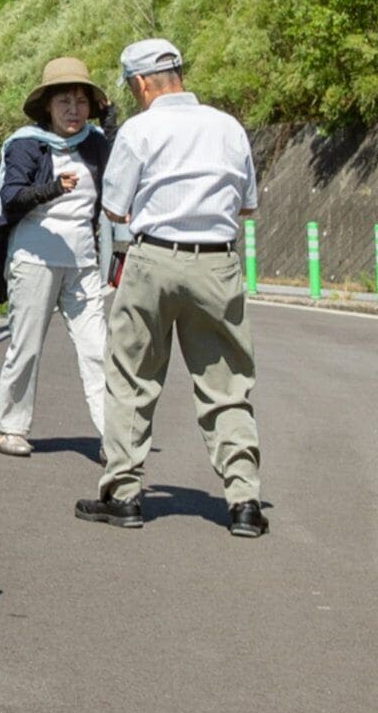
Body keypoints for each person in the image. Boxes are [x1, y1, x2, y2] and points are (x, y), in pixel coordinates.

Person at [76, 36, 266, 537]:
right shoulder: (228, 127)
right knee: (226, 385)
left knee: (132, 377)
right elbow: (247, 204)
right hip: (216, 264)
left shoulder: (139, 131)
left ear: (140, 83)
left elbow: (115, 209)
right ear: (179, 73)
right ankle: (244, 500)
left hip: (153, 259)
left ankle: (124, 494)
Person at [0, 56, 113, 458]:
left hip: (82, 262)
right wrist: (52, 188)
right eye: (64, 102)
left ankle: (116, 436)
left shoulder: (96, 144)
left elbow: (116, 190)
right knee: (27, 345)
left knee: (97, 347)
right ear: (48, 107)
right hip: (34, 258)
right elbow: (11, 199)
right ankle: (8, 427)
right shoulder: (26, 145)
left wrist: (113, 129)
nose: (74, 110)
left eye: (81, 102)